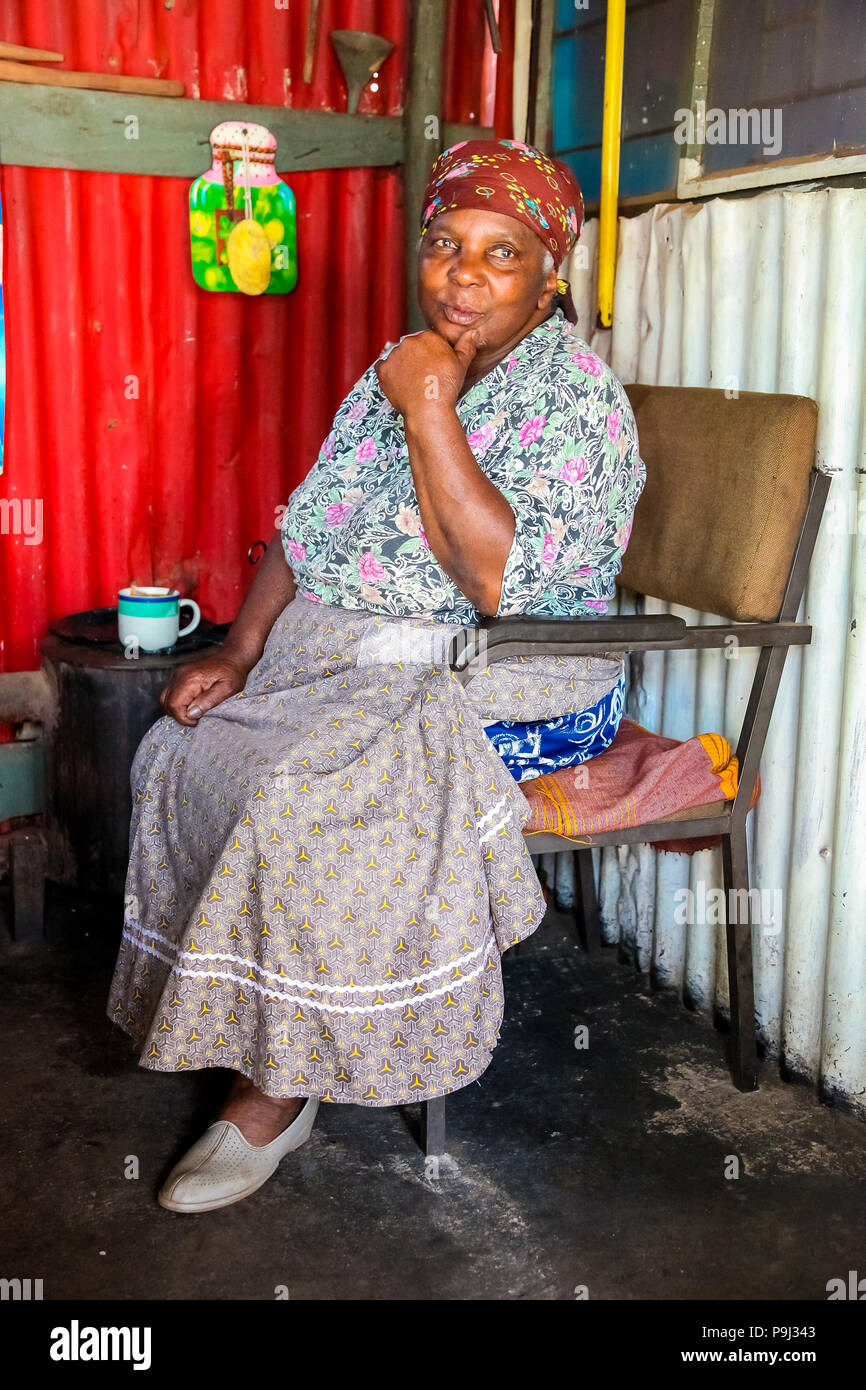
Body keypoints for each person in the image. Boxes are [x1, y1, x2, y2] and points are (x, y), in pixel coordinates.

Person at [108, 139, 645, 1213]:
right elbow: (307, 530)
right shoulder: (397, 365)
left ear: (549, 277)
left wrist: (431, 410)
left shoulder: (576, 398)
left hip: (510, 675)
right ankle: (257, 1024)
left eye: (501, 254)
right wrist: (238, 649)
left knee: (295, 800)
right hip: (351, 653)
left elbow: (494, 581)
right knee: (180, 748)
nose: (462, 273)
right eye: (446, 244)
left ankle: (271, 1089)